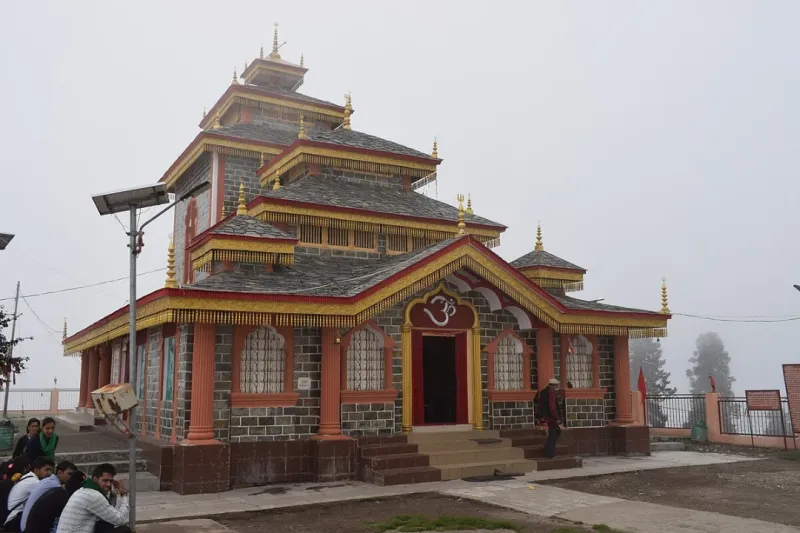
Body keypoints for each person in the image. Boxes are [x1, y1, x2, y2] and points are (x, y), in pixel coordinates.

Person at [55, 464, 130, 533]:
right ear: (95, 479)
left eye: (110, 481)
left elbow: (111, 513)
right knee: (124, 530)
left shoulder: (83, 489)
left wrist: (113, 495)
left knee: (105, 524)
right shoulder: (94, 495)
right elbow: (120, 519)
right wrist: (123, 494)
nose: (108, 484)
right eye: (105, 480)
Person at [20, 461, 76, 532]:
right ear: (59, 473)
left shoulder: (46, 481)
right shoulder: (55, 486)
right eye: (69, 474)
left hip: (26, 525)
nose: (71, 478)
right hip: (31, 527)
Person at [4, 457, 54, 532]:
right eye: (46, 470)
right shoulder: (34, 482)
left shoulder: (28, 478)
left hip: (15, 520)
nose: (49, 473)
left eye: (51, 470)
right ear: (36, 470)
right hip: (16, 522)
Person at [537, 378, 562, 459]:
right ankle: (549, 453)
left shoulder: (543, 392)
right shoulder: (551, 393)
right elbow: (552, 407)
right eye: (556, 385)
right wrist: (557, 418)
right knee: (553, 434)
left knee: (555, 432)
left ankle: (548, 449)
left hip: (546, 416)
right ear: (553, 385)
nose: (557, 386)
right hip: (551, 418)